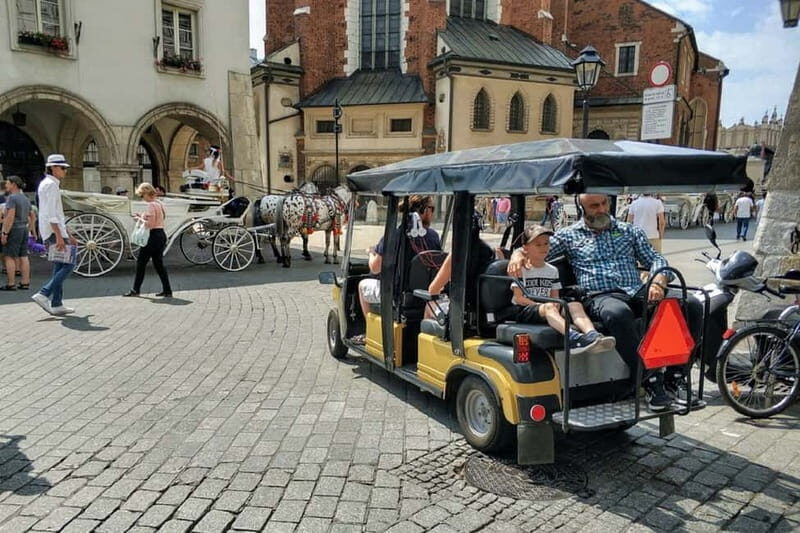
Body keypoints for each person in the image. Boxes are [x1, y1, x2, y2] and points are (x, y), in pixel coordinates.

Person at [508, 194, 702, 411]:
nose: (601, 209)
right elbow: (536, 248)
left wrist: (658, 281)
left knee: (691, 303)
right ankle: (649, 380)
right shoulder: (569, 236)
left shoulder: (630, 231)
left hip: (637, 291)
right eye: (594, 206)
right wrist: (517, 254)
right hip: (600, 295)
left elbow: (656, 259)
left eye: (604, 204)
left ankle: (676, 376)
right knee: (617, 313)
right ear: (582, 209)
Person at [508, 225, 616, 354]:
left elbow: (555, 296)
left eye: (546, 243)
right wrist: (544, 305)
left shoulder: (552, 270)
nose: (543, 248)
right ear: (525, 248)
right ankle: (573, 338)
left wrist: (555, 304)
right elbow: (519, 298)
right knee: (549, 307)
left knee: (575, 305)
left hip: (546, 307)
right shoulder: (521, 269)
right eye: (538, 245)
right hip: (525, 309)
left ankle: (592, 335)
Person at [356, 195, 441, 342]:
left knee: (362, 286)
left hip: (398, 295)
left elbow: (375, 269)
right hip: (424, 293)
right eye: (432, 209)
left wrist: (371, 253)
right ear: (425, 211)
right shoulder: (433, 236)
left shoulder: (393, 235)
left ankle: (371, 334)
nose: (432, 213)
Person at [426, 211, 502, 319]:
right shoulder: (490, 251)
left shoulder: (458, 253)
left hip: (461, 311)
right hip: (484, 311)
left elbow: (433, 290)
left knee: (429, 304)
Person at [32, 154, 78, 316]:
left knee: (59, 265)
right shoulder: (51, 185)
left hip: (52, 230)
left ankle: (57, 303)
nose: (65, 171)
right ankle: (44, 293)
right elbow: (52, 213)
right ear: (53, 168)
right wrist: (59, 235)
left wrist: (68, 234)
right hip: (53, 231)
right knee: (70, 264)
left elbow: (56, 213)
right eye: (63, 168)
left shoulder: (47, 184)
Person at [123, 183, 172, 298]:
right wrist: (143, 216)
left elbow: (150, 224)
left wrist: (138, 219)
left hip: (153, 236)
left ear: (146, 193)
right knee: (159, 264)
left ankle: (135, 290)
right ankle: (167, 290)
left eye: (142, 195)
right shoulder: (160, 204)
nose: (142, 198)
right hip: (161, 234)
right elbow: (158, 219)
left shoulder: (151, 205)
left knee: (141, 263)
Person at [0, 176, 34, 291]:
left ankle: (11, 283)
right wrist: (29, 228)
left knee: (9, 256)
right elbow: (32, 216)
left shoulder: (12, 198)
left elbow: (10, 217)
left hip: (14, 229)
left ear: (14, 184)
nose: (6, 185)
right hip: (23, 228)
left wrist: (4, 233)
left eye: (8, 183)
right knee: (23, 256)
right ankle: (25, 282)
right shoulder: (25, 198)